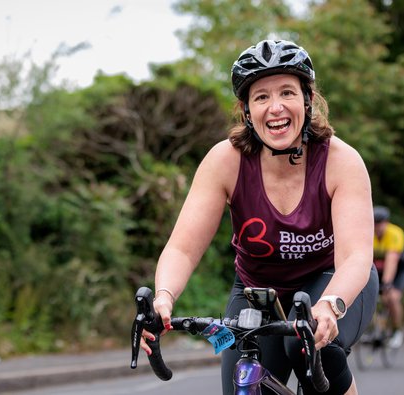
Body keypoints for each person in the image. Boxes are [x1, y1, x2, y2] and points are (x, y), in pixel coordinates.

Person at [140, 39, 378, 395]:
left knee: (306, 344)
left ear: (308, 100)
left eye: (287, 92)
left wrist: (330, 304)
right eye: (262, 97)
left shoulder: (341, 161)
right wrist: (163, 297)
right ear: (247, 111)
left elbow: (356, 257)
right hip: (256, 290)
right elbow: (183, 249)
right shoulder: (226, 160)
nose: (276, 107)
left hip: (330, 280)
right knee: (244, 382)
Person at [372, 205, 404, 349]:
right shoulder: (367, 231)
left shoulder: (395, 233)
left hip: (397, 270)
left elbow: (392, 260)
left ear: (386, 222)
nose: (377, 227)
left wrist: (387, 283)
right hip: (377, 269)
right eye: (374, 223)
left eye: (380, 223)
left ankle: (396, 330)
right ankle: (374, 329)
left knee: (392, 297)